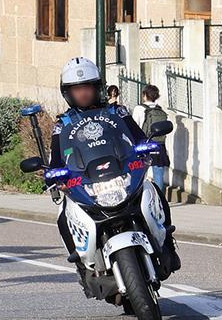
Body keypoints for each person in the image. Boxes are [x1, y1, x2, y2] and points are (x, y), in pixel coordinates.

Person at [49, 58, 179, 295]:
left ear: (97, 87)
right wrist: (51, 173)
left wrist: (147, 146)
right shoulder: (62, 125)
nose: (83, 93)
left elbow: (138, 138)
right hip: (87, 181)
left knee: (155, 191)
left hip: (121, 173)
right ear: (67, 93)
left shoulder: (116, 111)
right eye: (77, 89)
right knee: (62, 216)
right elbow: (56, 160)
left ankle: (167, 243)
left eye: (87, 87)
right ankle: (83, 265)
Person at [132, 84, 171, 194]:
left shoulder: (139, 109)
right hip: (159, 144)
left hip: (144, 144)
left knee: (140, 173)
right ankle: (160, 199)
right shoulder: (160, 110)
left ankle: (140, 197)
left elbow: (135, 127)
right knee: (158, 173)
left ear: (144, 95)